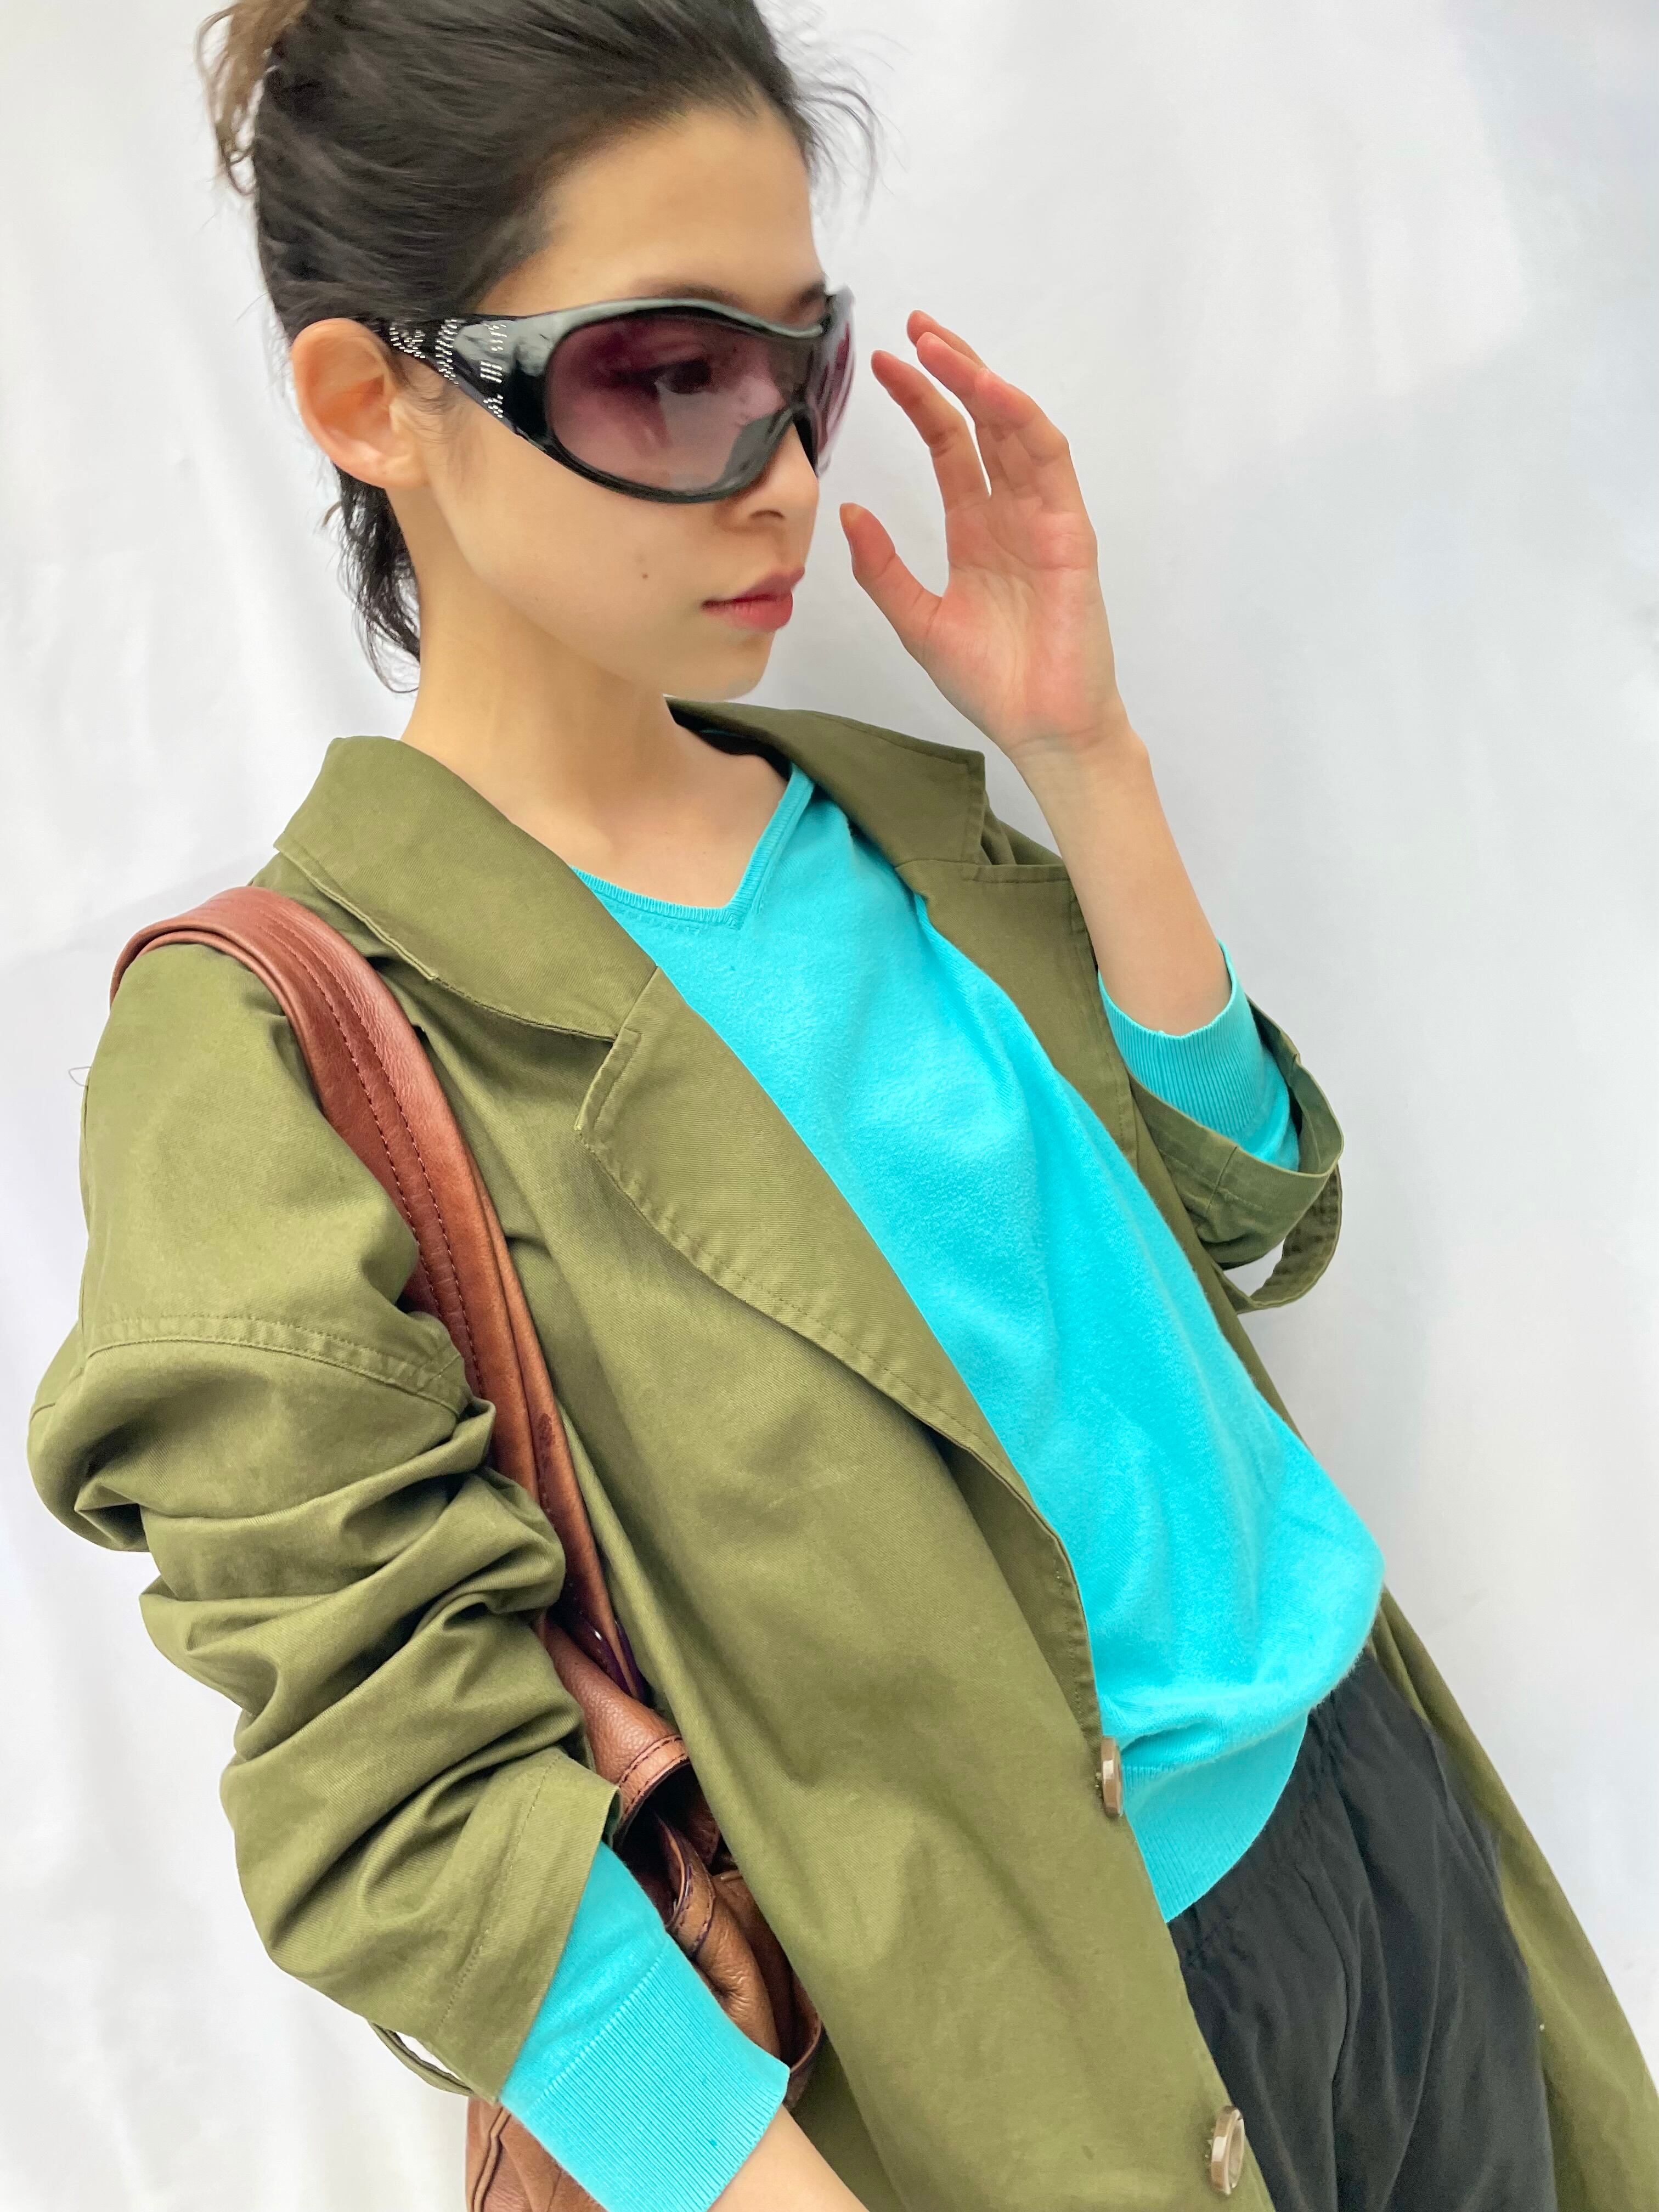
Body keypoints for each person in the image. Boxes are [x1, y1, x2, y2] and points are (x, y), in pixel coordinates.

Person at [25, 3, 1657, 2210]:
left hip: (1390, 1828)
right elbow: (395, 1806)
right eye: (668, 375)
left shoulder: (883, 820)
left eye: (801, 368)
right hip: (1052, 2052)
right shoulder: (276, 1049)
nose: (785, 472)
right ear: (370, 400)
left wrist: (1086, 758)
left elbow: (1259, 1219)